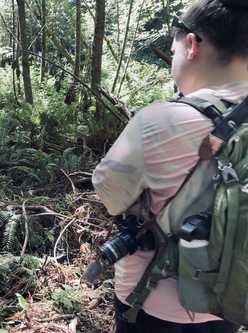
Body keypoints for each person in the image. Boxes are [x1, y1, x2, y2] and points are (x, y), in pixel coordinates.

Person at [92, 0, 248, 332]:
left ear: (191, 45)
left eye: (174, 45)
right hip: (232, 302)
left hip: (153, 304)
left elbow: (110, 196)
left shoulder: (162, 120)